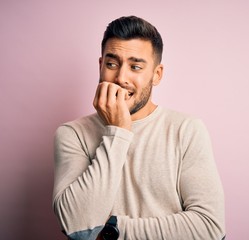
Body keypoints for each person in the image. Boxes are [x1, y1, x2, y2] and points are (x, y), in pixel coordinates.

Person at [53, 15, 226, 240]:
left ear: (157, 74)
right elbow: (77, 227)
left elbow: (210, 228)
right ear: (100, 65)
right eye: (112, 64)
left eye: (135, 67)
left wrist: (113, 230)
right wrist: (118, 131)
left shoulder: (187, 130)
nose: (121, 77)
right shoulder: (72, 135)